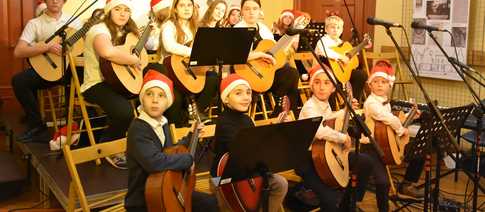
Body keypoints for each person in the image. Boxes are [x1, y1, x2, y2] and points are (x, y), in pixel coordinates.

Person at [125, 70, 218, 212]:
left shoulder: (163, 123)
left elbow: (169, 152)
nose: (155, 100)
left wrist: (191, 137)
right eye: (149, 94)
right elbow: (155, 162)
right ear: (142, 99)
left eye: (161, 96)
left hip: (167, 190)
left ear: (167, 102)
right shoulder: (138, 129)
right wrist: (187, 160)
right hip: (145, 201)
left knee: (211, 204)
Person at [298, 64, 374, 212]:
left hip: (327, 154)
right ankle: (338, 202)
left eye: (327, 83)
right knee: (330, 200)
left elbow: (330, 118)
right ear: (311, 86)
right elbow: (319, 130)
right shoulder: (309, 107)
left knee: (366, 162)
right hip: (309, 159)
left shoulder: (326, 105)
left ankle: (350, 201)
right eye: (317, 82)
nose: (321, 87)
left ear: (333, 88)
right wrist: (342, 138)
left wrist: (345, 110)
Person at [12, 0, 79, 143]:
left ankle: (80, 123)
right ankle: (36, 125)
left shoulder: (74, 21)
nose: (55, 1)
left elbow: (85, 45)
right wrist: (46, 47)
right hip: (49, 70)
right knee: (19, 81)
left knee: (88, 75)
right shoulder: (35, 24)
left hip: (71, 69)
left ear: (64, 1)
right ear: (45, 0)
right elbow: (18, 51)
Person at [80, 0, 140, 169]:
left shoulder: (125, 32)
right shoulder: (99, 30)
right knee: (124, 112)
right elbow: (107, 52)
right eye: (118, 9)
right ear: (108, 11)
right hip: (95, 84)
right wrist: (133, 60)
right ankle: (108, 147)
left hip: (116, 82)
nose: (123, 14)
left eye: (127, 10)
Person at [211, 74, 288, 212]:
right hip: (224, 178)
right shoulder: (223, 122)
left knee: (281, 184)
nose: (246, 97)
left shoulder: (247, 119)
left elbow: (256, 148)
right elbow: (243, 149)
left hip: (248, 171)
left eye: (248, 93)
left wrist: (277, 130)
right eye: (238, 93)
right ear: (226, 99)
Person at [362, 60, 423, 211]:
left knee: (419, 153)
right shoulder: (371, 103)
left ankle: (407, 184)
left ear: (390, 85)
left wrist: (410, 116)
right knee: (382, 182)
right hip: (370, 147)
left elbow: (391, 121)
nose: (380, 85)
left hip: (382, 145)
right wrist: (401, 130)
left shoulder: (385, 101)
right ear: (370, 85)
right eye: (376, 81)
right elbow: (388, 119)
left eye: (383, 82)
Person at [234, 0, 300, 116]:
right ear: (242, 11)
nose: (251, 12)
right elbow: (236, 55)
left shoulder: (264, 29)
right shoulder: (237, 29)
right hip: (246, 72)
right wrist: (260, 54)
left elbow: (274, 51)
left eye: (255, 8)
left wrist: (276, 57)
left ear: (259, 11)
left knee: (292, 74)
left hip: (266, 72)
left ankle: (283, 111)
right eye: (247, 9)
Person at [159, 0, 218, 127]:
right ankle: (181, 123)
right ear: (175, 8)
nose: (186, 9)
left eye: (189, 5)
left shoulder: (195, 27)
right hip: (172, 71)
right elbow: (170, 46)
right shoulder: (169, 25)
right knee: (176, 96)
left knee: (213, 77)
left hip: (190, 69)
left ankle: (198, 111)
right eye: (182, 5)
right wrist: (194, 52)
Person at [314, 12, 369, 100]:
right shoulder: (322, 41)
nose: (335, 30)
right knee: (331, 79)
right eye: (332, 27)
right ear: (326, 29)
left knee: (360, 74)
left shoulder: (341, 43)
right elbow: (325, 52)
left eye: (338, 27)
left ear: (342, 30)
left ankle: (353, 101)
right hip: (326, 71)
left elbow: (350, 54)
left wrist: (362, 46)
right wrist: (341, 57)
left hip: (341, 72)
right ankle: (333, 107)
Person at [143, 0, 170, 74]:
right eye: (166, 9)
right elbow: (148, 46)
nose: (169, 12)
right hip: (153, 63)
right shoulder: (147, 24)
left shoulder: (171, 24)